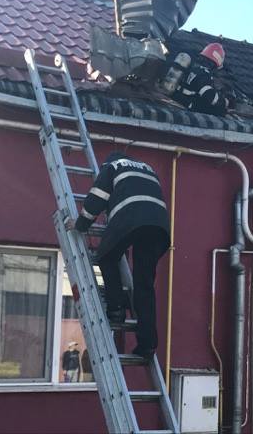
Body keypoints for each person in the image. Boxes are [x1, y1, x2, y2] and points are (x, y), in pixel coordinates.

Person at [66, 152, 170, 360]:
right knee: (144, 285)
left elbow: (97, 198)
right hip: (159, 228)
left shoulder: (112, 167)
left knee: (106, 257)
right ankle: (147, 345)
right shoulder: (148, 169)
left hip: (130, 218)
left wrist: (80, 225)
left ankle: (116, 309)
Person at [171, 42, 234, 116]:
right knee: (219, 111)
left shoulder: (193, 68)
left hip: (177, 97)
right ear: (215, 63)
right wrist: (225, 102)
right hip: (189, 104)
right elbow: (209, 95)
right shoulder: (204, 74)